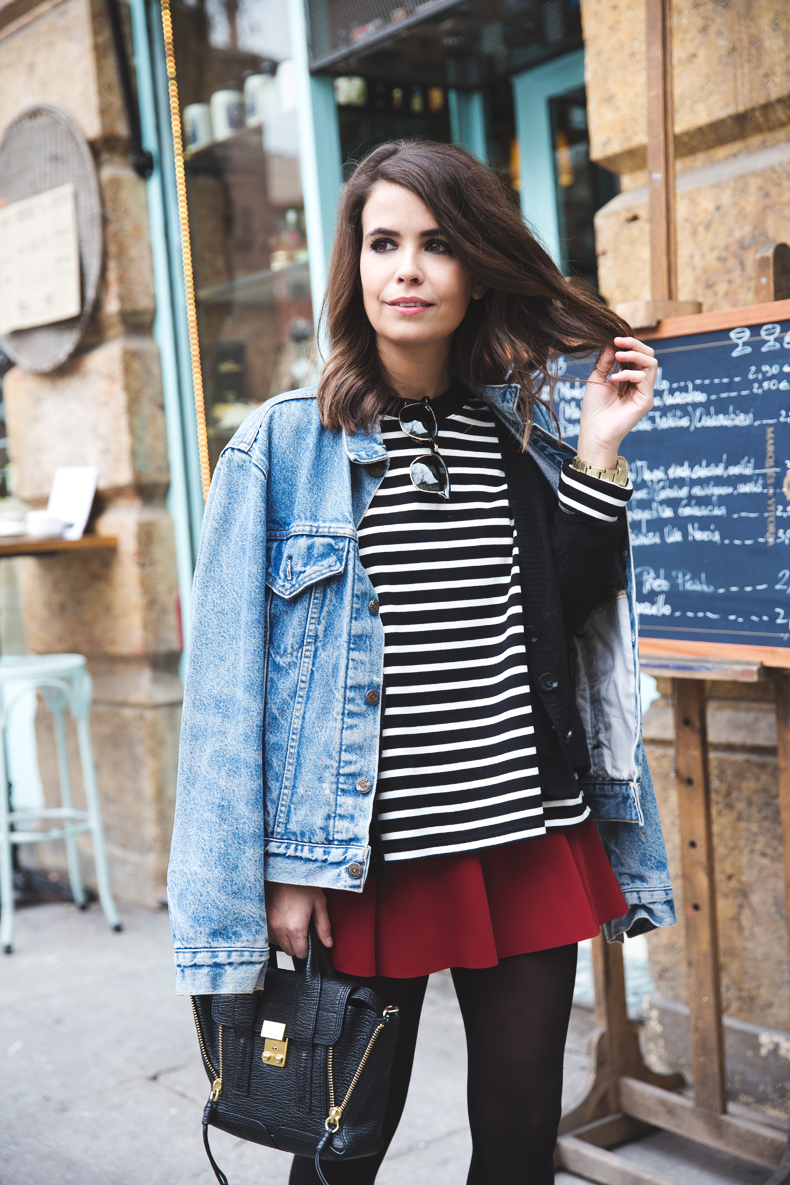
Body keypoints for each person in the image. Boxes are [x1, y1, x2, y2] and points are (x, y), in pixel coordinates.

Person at [169, 141, 676, 1185]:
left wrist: (597, 449)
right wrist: (278, 873)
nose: (406, 269)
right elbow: (226, 698)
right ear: (352, 266)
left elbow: (552, 624)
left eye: (437, 244)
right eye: (383, 242)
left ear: (476, 268)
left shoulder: (517, 434)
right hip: (367, 859)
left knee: (522, 1135)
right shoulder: (280, 450)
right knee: (341, 1144)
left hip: (524, 830)